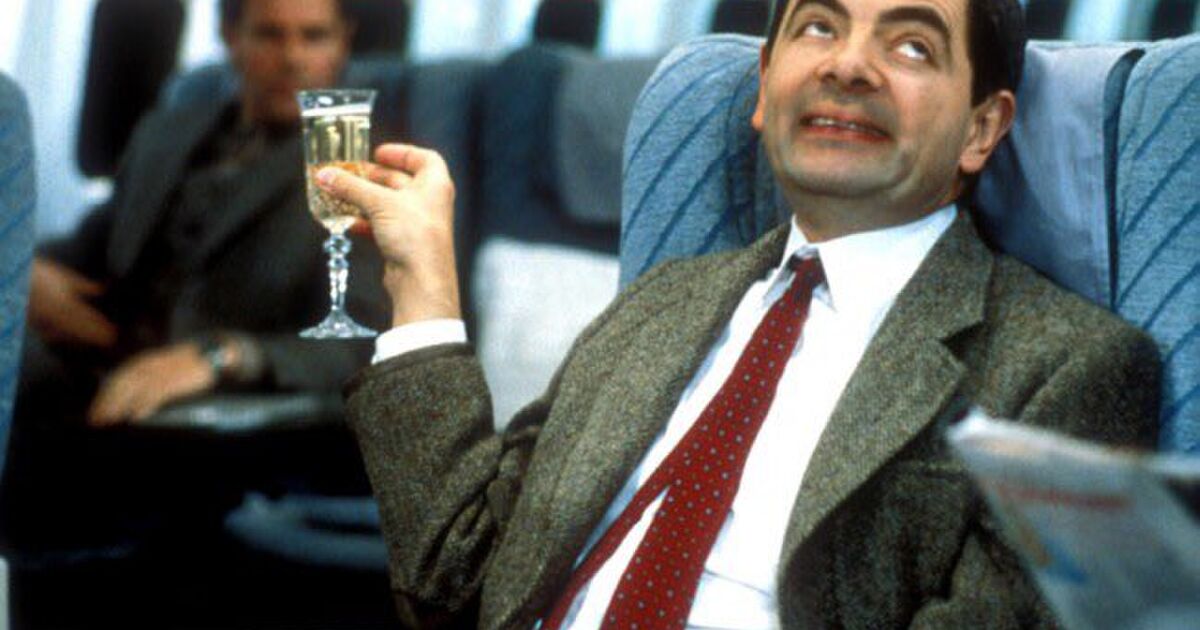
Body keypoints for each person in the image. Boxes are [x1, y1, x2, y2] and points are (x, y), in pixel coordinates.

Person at [320, 0, 1160, 627]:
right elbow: (451, 577)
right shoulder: (660, 303)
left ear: (982, 128)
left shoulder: (1065, 366)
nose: (848, 66)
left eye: (911, 44)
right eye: (819, 27)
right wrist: (421, 279)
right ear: (764, 86)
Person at [0, 0, 386, 563]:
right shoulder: (169, 134)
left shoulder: (358, 163)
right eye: (270, 35)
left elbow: (362, 343)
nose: (293, 58)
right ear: (231, 37)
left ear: (344, 42)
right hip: (103, 364)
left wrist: (223, 355)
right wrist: (26, 276)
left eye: (314, 37)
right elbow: (94, 249)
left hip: (229, 413)